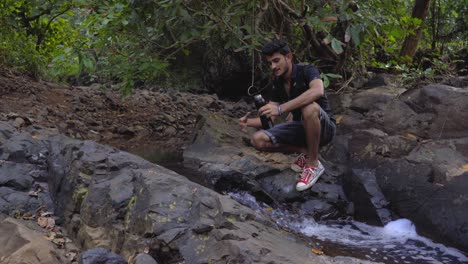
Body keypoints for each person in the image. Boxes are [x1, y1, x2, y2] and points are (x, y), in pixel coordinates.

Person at [239, 40, 336, 192]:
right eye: (270, 63)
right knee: (257, 140)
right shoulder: (278, 83)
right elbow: (270, 116)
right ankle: (306, 152)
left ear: (289, 57)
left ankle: (313, 164)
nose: (273, 67)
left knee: (309, 108)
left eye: (276, 61)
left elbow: (317, 91)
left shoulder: (307, 70)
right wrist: (249, 122)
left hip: (324, 128)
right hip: (301, 129)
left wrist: (281, 108)